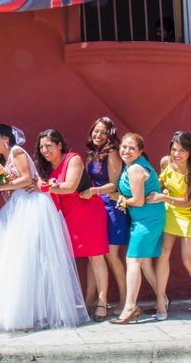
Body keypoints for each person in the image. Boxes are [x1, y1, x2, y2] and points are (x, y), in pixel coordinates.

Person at [0, 124, 88, 331]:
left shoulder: (17, 152)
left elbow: (26, 179)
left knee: (28, 259)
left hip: (31, 207)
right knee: (14, 260)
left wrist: (2, 187)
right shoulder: (4, 161)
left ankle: (34, 312)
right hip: (17, 207)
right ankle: (18, 310)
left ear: (6, 138)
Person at [35, 129, 109, 322]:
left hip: (87, 211)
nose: (45, 150)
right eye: (42, 147)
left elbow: (69, 186)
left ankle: (102, 302)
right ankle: (87, 300)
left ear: (59, 145)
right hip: (66, 215)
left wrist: (44, 186)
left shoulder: (72, 159)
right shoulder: (46, 168)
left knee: (96, 257)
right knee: (75, 259)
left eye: (49, 145)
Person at [146, 131, 191, 318]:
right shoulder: (167, 162)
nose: (177, 154)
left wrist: (163, 196)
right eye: (174, 149)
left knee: (188, 260)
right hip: (171, 212)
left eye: (182, 150)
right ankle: (160, 301)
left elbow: (188, 201)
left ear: (190, 151)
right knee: (163, 253)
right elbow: (161, 181)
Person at [110, 133, 165, 324]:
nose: (126, 151)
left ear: (140, 151)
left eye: (132, 148)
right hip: (142, 219)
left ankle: (130, 307)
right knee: (144, 263)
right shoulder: (130, 167)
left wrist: (122, 200)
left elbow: (138, 201)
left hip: (148, 219)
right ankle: (162, 300)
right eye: (124, 146)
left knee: (132, 259)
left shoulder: (135, 169)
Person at [79, 117, 128, 315]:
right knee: (95, 253)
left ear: (110, 135)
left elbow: (113, 185)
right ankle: (90, 299)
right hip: (95, 208)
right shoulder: (92, 153)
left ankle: (126, 299)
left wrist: (93, 191)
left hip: (112, 207)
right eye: (95, 131)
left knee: (111, 255)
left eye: (103, 132)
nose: (98, 135)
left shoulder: (113, 153)